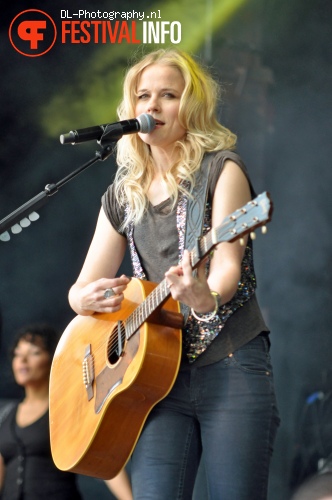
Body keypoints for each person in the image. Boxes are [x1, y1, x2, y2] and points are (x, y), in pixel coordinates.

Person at [68, 48, 280, 500]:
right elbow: (81, 289)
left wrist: (203, 297)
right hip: (152, 379)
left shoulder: (222, 169)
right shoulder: (122, 194)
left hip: (229, 361)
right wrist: (84, 301)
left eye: (168, 95)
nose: (153, 106)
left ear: (192, 106)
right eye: (143, 95)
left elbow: (225, 267)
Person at [0, 323, 132, 500]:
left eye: (34, 353)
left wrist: (129, 498)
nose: (23, 360)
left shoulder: (65, 410)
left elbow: (100, 457)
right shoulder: (5, 415)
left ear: (54, 360)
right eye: (18, 354)